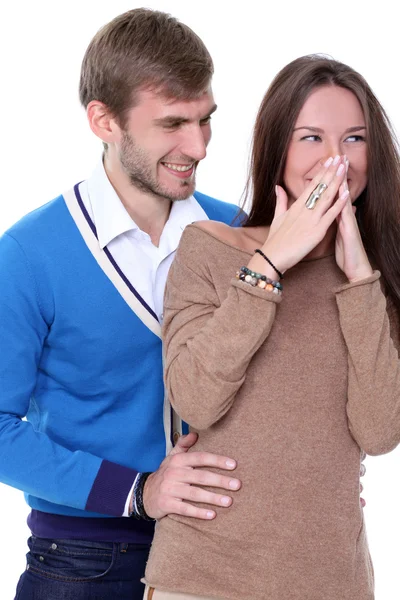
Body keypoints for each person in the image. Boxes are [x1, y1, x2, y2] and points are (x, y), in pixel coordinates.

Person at [0, 9, 243, 600]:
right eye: (173, 124)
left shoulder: (237, 230)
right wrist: (138, 491)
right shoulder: (29, 254)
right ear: (103, 121)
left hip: (227, 548)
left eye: (205, 120)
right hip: (84, 561)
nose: (199, 146)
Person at [143, 54, 400, 600]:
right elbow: (196, 397)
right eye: (311, 137)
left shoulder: (378, 280)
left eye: (354, 139)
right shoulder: (209, 248)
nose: (336, 158)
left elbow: (379, 433)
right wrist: (268, 266)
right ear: (276, 147)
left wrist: (359, 280)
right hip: (202, 579)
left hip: (333, 582)